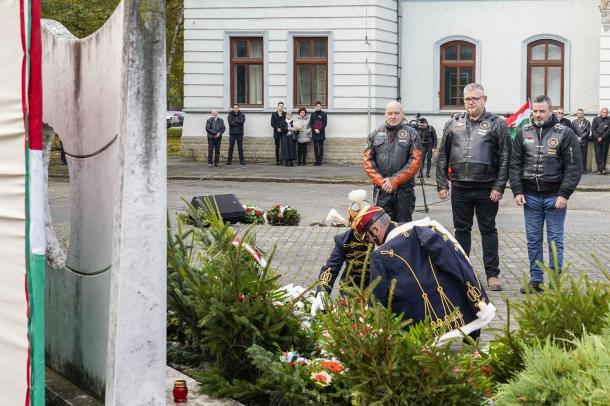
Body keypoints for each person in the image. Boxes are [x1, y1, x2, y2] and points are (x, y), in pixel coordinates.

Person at [348, 202, 496, 343]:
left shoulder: (380, 255)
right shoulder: (425, 228)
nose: (369, 242)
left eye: (367, 237)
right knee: (454, 280)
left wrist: (370, 322)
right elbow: (454, 259)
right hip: (453, 300)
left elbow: (378, 294)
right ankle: (472, 332)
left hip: (416, 316)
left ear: (375, 229)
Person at [436, 83, 510, 292]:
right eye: (467, 99)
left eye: (475, 99)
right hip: (460, 187)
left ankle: (492, 275)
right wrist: (442, 182)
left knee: (488, 230)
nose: (470, 102)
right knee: (461, 230)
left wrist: (499, 186)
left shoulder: (497, 124)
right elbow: (443, 154)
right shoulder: (453, 123)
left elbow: (505, 157)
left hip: (487, 188)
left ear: (484, 99)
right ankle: (462, 272)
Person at [509, 95, 582, 293]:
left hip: (555, 197)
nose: (538, 115)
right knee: (533, 240)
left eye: (542, 111)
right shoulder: (523, 132)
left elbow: (574, 167)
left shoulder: (565, 133)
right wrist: (517, 190)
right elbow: (514, 164)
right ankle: (536, 280)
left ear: (551, 111)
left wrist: (564, 194)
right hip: (530, 197)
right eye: (535, 111)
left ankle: (554, 282)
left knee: (554, 242)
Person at [310, 190, 374, 316]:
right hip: (350, 290)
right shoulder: (343, 240)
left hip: (377, 289)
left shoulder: (379, 235)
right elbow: (331, 268)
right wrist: (322, 292)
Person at [363, 100, 422, 223]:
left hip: (404, 191)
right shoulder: (375, 134)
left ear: (402, 114)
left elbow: (415, 162)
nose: (393, 116)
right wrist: (382, 182)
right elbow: (368, 162)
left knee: (403, 229)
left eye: (396, 113)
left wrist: (394, 181)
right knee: (382, 228)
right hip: (382, 190)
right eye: (390, 113)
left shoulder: (413, 134)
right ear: (385, 114)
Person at [591, 107, 610, 175]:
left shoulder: (609, 119)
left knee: (604, 154)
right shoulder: (595, 119)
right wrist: (597, 137)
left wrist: (602, 137)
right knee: (598, 154)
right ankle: (600, 169)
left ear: (607, 113)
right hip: (597, 140)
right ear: (601, 112)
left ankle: (602, 169)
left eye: (606, 112)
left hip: (605, 140)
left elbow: (609, 130)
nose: (604, 113)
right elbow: (593, 129)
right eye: (603, 112)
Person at [572, 108, 591, 174]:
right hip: (576, 141)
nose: (579, 114)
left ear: (583, 114)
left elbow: (587, 131)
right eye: (578, 113)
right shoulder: (574, 122)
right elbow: (572, 131)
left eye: (581, 113)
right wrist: (577, 137)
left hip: (584, 141)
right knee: (576, 156)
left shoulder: (587, 122)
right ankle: (577, 169)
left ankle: (583, 169)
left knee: (584, 156)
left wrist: (581, 137)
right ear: (576, 114)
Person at [309, 101, 327, 165]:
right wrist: (315, 129)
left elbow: (325, 124)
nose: (317, 107)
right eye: (316, 106)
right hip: (315, 133)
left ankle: (320, 161)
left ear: (320, 106)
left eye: (319, 106)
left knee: (321, 148)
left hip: (321, 133)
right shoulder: (312, 114)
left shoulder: (324, 114)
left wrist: (319, 130)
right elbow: (311, 124)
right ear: (315, 107)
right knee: (316, 148)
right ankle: (316, 161)